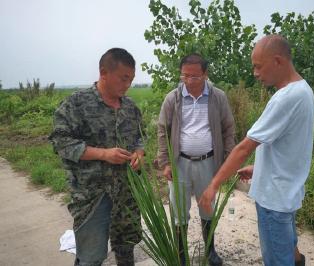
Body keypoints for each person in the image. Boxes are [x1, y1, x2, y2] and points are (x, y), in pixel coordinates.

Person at [199, 35, 314, 266]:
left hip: (275, 200)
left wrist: (213, 186)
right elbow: (291, 146)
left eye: (258, 66)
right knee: (290, 251)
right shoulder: (304, 90)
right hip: (287, 192)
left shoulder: (286, 98)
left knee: (278, 260)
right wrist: (259, 167)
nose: (254, 72)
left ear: (278, 61)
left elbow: (244, 147)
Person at [49, 48, 145, 266]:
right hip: (93, 196)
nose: (128, 84)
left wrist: (139, 154)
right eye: (124, 78)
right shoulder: (77, 104)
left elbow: (140, 137)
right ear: (104, 72)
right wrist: (104, 154)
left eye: (131, 79)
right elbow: (60, 142)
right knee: (91, 256)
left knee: (126, 246)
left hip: (127, 194)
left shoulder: (130, 108)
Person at [157, 53, 235, 266]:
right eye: (185, 76)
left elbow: (228, 128)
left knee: (207, 207)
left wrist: (227, 161)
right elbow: (163, 129)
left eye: (195, 76)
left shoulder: (217, 97)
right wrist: (164, 162)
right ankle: (181, 256)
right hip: (179, 163)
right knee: (179, 212)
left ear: (205, 75)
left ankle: (210, 250)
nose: (189, 81)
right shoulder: (173, 98)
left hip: (209, 162)